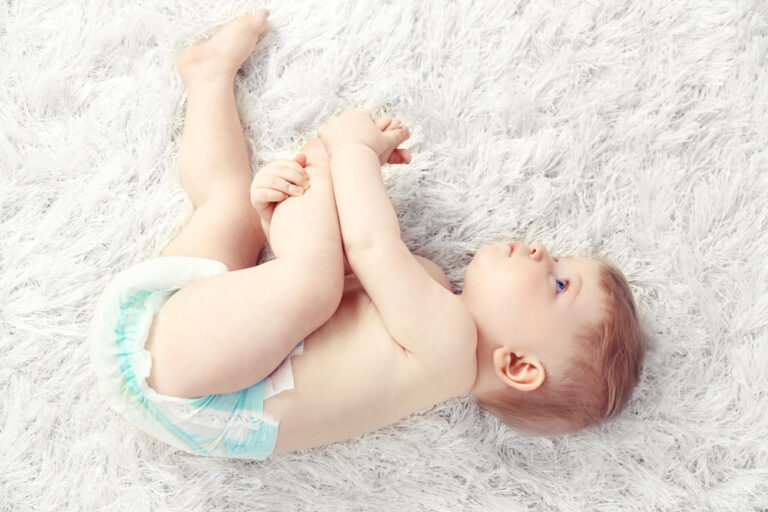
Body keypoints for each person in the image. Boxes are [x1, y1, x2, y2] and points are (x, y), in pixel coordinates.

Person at [88, 10, 644, 460]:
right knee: (229, 208)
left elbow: (369, 245)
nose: (544, 252)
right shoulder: (425, 297)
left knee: (311, 283)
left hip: (208, 386)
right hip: (203, 364)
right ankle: (207, 77)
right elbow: (317, 290)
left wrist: (352, 153)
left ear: (517, 365)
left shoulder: (450, 346)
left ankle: (301, 161)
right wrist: (276, 218)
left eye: (558, 284)